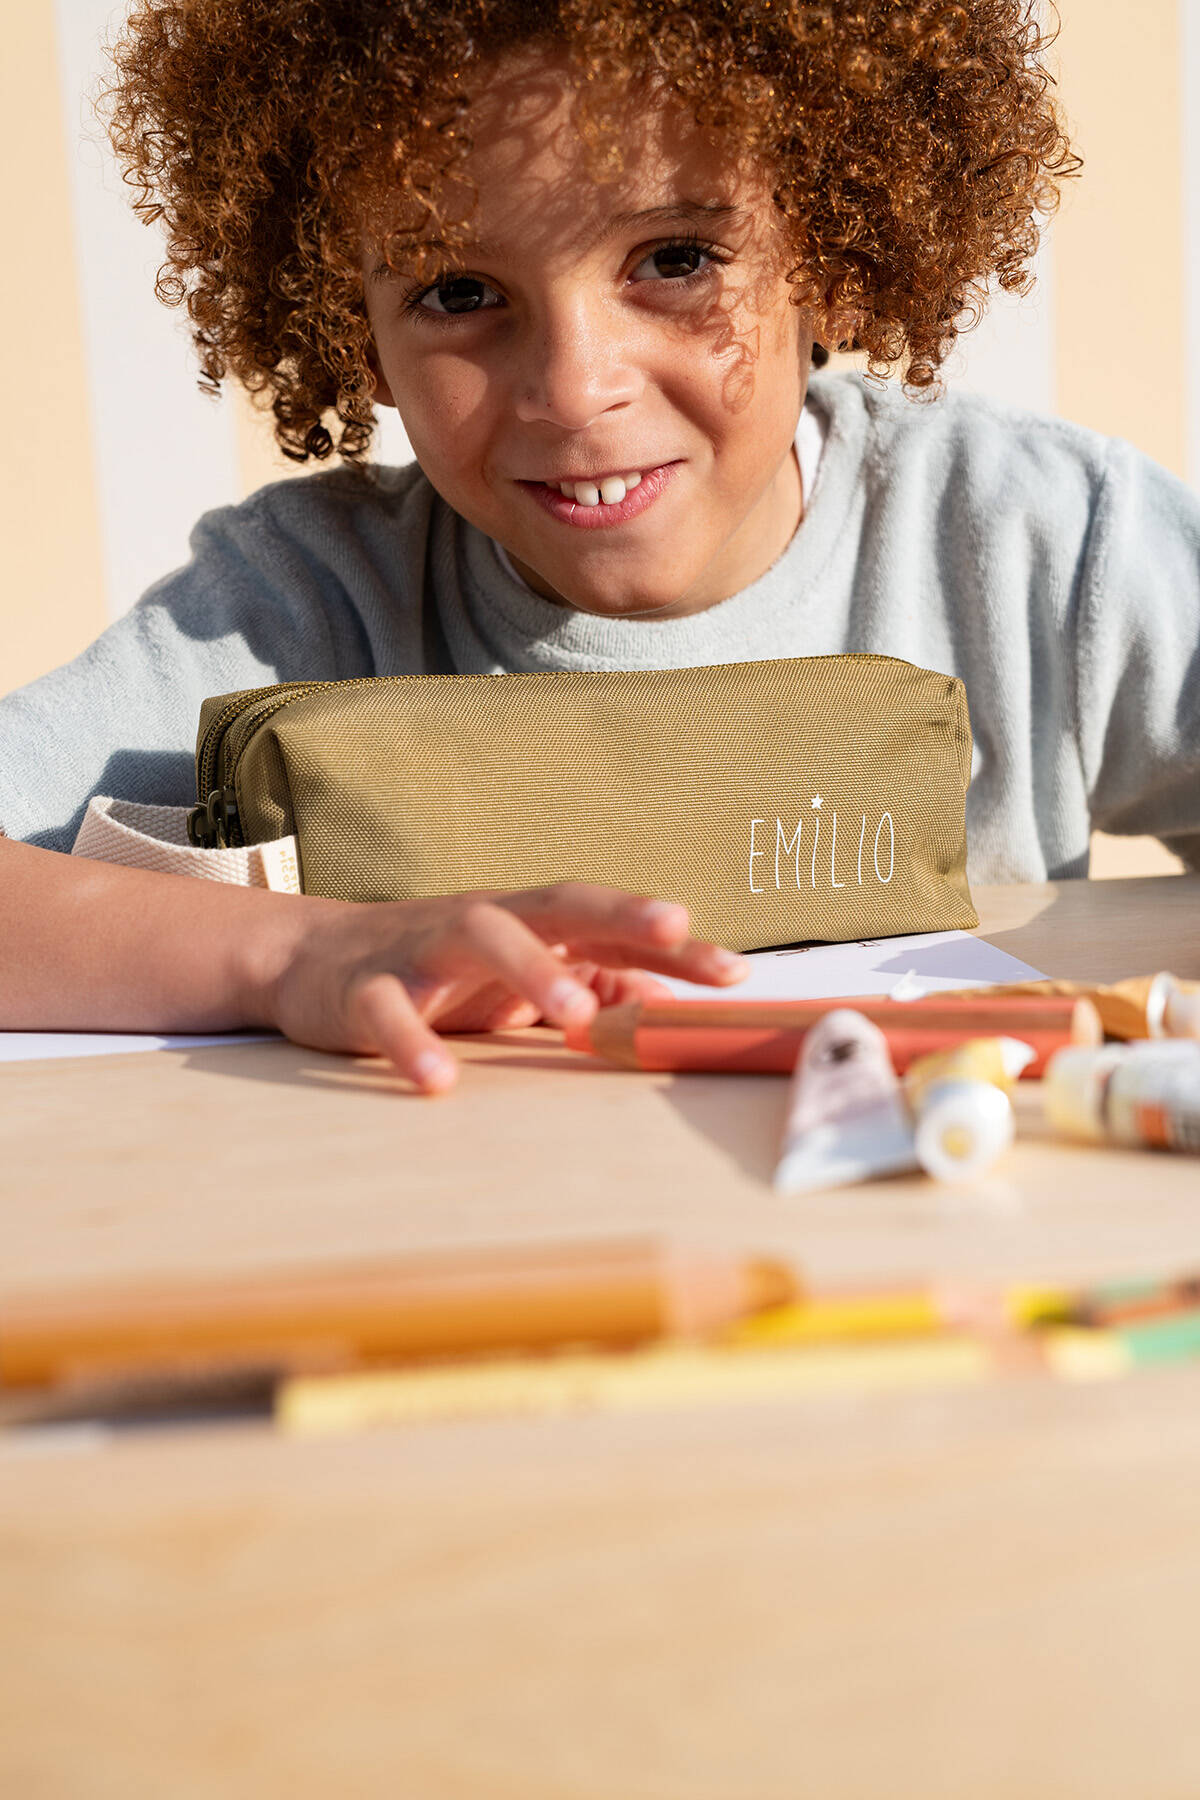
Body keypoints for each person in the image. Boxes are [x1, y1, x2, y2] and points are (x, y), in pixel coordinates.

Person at [1, 0, 1197, 1093]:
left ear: (833, 251)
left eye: (676, 260)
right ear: (357, 332)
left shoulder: (1047, 546)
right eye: (460, 292)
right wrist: (290, 955)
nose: (575, 392)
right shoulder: (301, 607)